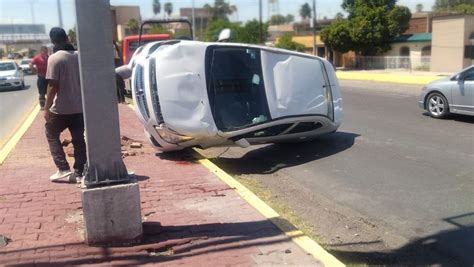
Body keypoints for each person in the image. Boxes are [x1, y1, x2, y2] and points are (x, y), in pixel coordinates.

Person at [44, 27, 86, 182]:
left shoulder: (55, 58)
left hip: (60, 109)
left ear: (53, 41)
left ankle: (63, 169)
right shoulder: (79, 56)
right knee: (79, 139)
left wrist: (46, 108)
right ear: (67, 38)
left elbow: (52, 85)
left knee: (51, 133)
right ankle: (80, 171)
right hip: (79, 107)